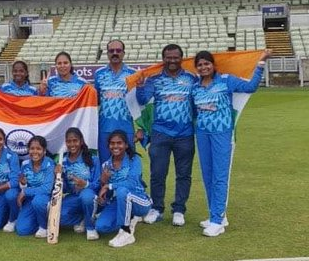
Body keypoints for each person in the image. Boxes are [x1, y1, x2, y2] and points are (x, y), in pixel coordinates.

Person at [192, 49, 271, 237]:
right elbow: (194, 112)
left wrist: (260, 64)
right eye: (200, 65)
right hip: (202, 134)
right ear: (196, 68)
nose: (204, 67)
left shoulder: (226, 80)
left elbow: (250, 87)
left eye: (206, 63)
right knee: (207, 175)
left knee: (219, 176)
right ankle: (217, 214)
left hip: (222, 134)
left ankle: (217, 221)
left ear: (213, 65)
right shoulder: (195, 87)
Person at [137, 44, 197, 227]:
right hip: (160, 133)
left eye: (175, 57)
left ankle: (179, 210)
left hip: (185, 134)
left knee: (184, 174)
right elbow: (142, 100)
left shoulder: (191, 79)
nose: (172, 60)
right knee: (157, 173)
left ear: (181, 58)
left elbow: (198, 102)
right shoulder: (154, 80)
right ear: (163, 59)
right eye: (168, 57)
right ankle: (157, 208)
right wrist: (140, 87)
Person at [95, 130, 152, 248]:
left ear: (126, 145)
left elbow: (132, 183)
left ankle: (126, 232)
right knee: (101, 227)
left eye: (119, 143)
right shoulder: (106, 165)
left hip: (139, 200)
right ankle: (130, 219)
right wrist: (103, 182)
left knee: (122, 191)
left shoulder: (134, 160)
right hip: (118, 202)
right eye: (112, 143)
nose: (115, 146)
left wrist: (109, 185)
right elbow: (106, 192)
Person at [94, 40, 137, 165]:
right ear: (107, 53)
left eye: (118, 50)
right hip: (104, 128)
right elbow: (94, 100)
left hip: (126, 127)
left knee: (127, 164)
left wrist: (141, 129)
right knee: (105, 165)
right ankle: (106, 186)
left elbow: (140, 104)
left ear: (123, 53)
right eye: (111, 51)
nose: (115, 53)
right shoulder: (99, 74)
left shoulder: (132, 74)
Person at [58, 128, 101, 240]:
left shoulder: (93, 159)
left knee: (86, 196)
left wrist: (85, 184)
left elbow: (98, 184)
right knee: (58, 216)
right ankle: (82, 217)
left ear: (81, 141)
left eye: (75, 140)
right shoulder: (63, 161)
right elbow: (66, 189)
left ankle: (90, 228)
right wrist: (59, 177)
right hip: (74, 197)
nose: (72, 144)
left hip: (89, 195)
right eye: (69, 141)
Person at [15, 136, 55, 237]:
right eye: (32, 148)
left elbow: (47, 188)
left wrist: (25, 191)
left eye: (38, 149)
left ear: (44, 151)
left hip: (44, 197)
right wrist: (23, 184)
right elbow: (23, 185)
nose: (35, 151)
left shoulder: (49, 163)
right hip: (29, 199)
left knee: (38, 201)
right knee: (22, 230)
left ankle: (44, 227)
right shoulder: (24, 164)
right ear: (28, 150)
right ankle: (39, 219)